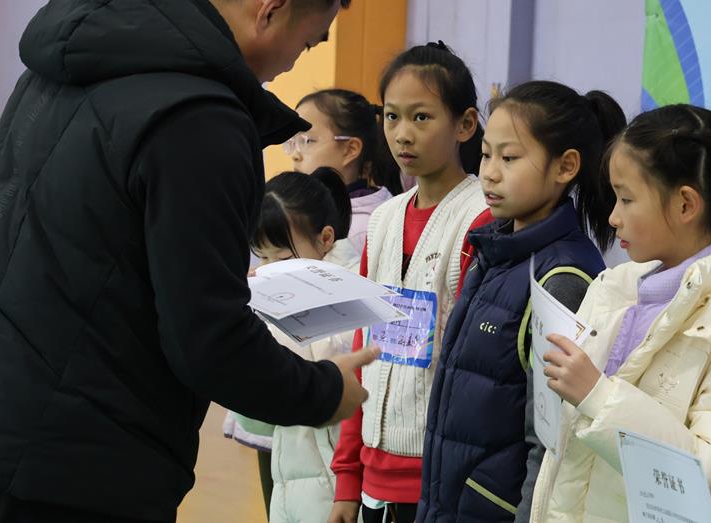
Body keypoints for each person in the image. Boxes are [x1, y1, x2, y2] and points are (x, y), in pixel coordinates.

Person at [0, 0, 378, 523]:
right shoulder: (201, 117)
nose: (293, 62)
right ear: (272, 9)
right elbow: (206, 338)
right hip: (74, 467)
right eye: (307, 42)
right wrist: (322, 391)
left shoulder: (60, 70)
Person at [528, 104, 711, 522]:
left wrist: (597, 395)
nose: (613, 217)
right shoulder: (615, 288)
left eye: (627, 199)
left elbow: (708, 471)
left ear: (686, 205)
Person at [417, 81, 626, 522]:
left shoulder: (563, 278)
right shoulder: (493, 251)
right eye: (485, 154)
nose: (489, 173)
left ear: (565, 166)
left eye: (509, 158)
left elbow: (549, 440)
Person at [329, 42, 492, 523]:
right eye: (392, 116)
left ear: (465, 125)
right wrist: (348, 477)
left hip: (440, 479)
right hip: (372, 477)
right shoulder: (383, 220)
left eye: (422, 117)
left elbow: (476, 371)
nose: (403, 134)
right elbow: (364, 347)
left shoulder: (480, 218)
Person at [244, 167, 361, 523]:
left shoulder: (352, 286)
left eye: (281, 259)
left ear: (325, 239)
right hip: (292, 473)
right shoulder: (281, 293)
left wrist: (259, 322)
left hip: (334, 481)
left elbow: (327, 359)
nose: (268, 270)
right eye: (262, 258)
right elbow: (258, 413)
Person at [287, 88, 401, 251]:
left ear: (350, 149)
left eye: (307, 141)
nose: (295, 155)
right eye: (292, 142)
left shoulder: (362, 230)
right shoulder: (303, 206)